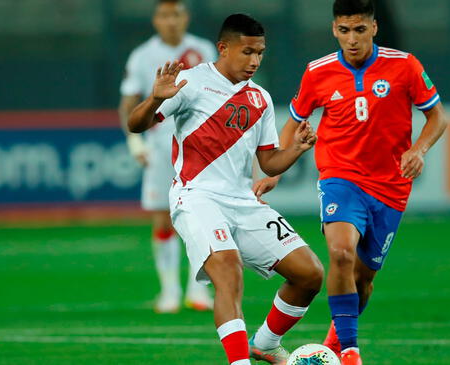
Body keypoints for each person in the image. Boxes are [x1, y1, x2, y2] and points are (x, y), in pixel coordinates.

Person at [254, 1, 448, 364]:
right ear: (334, 30)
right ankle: (351, 354)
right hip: (339, 177)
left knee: (364, 278)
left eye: (359, 30)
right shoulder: (318, 71)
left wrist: (419, 149)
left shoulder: (405, 65)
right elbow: (295, 121)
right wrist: (275, 169)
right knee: (341, 253)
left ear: (374, 28)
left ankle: (333, 344)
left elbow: (437, 116)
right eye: (344, 30)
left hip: (391, 186)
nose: (352, 39)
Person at [128, 14, 324, 365]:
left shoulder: (260, 99)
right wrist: (155, 99)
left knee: (309, 274)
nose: (254, 60)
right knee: (228, 268)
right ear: (224, 48)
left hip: (243, 202)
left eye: (260, 53)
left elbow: (269, 163)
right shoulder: (191, 81)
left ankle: (264, 344)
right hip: (196, 196)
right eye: (247, 51)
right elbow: (136, 123)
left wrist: (296, 149)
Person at [118, 0, 217, 313]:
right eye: (164, 15)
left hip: (199, 143)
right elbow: (128, 101)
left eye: (176, 14)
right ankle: (169, 291)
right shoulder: (142, 55)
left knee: (203, 217)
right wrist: (135, 143)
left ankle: (197, 290)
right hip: (161, 144)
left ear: (185, 17)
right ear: (156, 19)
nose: (171, 21)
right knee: (163, 217)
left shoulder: (204, 50)